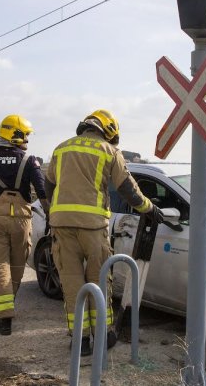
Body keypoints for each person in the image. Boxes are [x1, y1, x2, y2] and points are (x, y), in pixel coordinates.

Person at [45, 109, 162, 356]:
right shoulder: (109, 151)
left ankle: (80, 340)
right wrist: (149, 208)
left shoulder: (61, 148)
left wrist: (53, 213)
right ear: (108, 131)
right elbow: (128, 189)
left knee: (72, 283)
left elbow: (49, 185)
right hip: (93, 226)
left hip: (62, 226)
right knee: (99, 279)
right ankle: (103, 335)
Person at [0, 114, 49, 336]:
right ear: (16, 136)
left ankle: (4, 316)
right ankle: (7, 307)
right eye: (25, 135)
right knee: (16, 266)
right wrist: (50, 215)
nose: (27, 139)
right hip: (21, 220)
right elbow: (42, 192)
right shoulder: (29, 161)